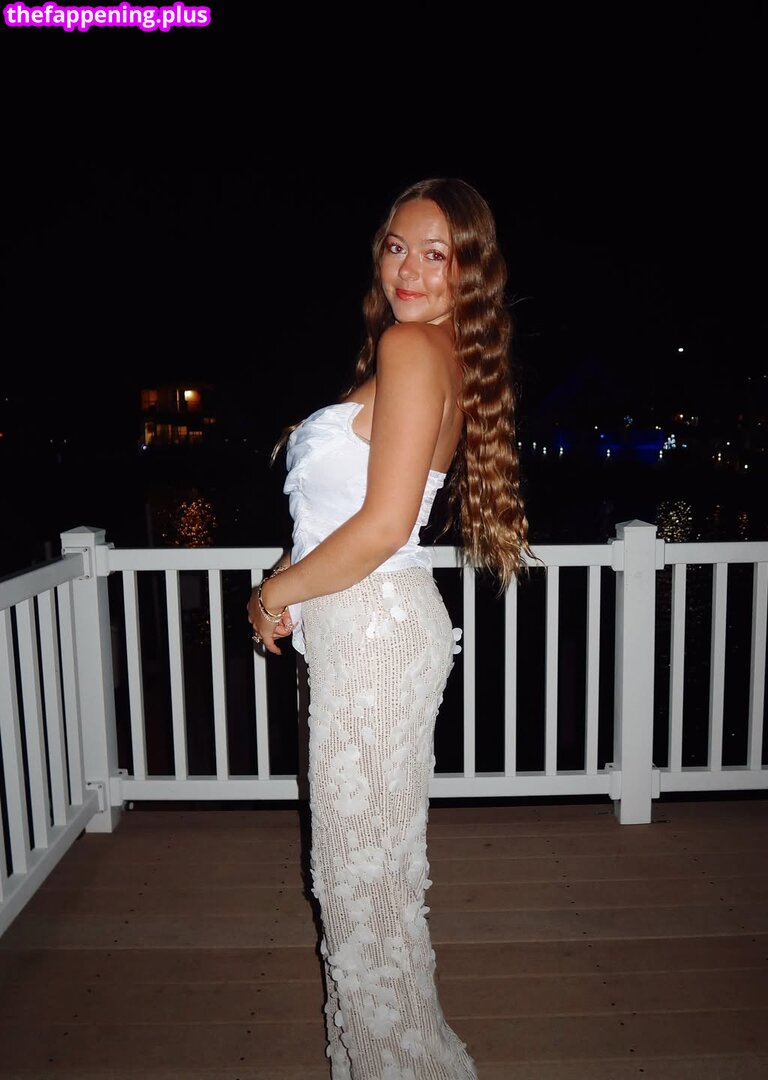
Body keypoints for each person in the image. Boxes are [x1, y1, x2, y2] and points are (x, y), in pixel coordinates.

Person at [247, 177, 532, 1079]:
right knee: (372, 879)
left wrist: (272, 592)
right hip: (375, 626)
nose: (409, 269)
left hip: (372, 629)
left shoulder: (411, 347)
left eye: (436, 253)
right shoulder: (435, 351)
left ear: (469, 270)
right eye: (397, 247)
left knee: (358, 884)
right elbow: (357, 523)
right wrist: (298, 583)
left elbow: (379, 526)